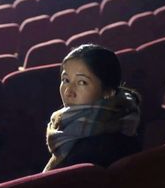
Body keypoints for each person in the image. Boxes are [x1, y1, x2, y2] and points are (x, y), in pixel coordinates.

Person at [43, 44, 141, 172]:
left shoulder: (88, 151)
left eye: (82, 82)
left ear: (108, 92)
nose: (68, 92)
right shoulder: (127, 112)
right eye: (66, 80)